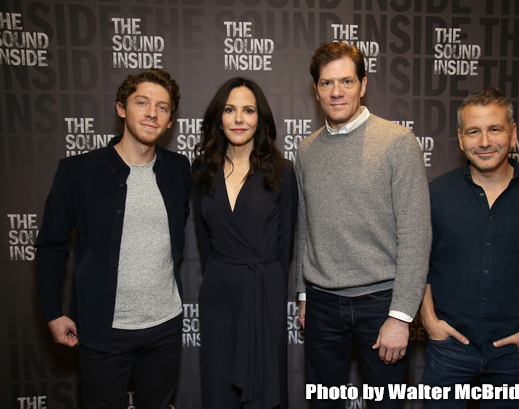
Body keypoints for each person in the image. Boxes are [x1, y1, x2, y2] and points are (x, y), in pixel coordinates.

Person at [35, 69, 191, 409]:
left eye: (162, 107)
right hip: (103, 330)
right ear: (121, 108)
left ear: (170, 121)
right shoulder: (78, 172)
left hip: (164, 326)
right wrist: (51, 311)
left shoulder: (180, 170)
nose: (152, 112)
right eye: (142, 102)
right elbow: (51, 245)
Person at [295, 42, 431, 409]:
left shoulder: (398, 142)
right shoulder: (305, 151)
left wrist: (401, 316)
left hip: (381, 304)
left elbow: (417, 235)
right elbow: (304, 227)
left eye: (346, 81)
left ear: (363, 84)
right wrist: (304, 294)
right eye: (326, 83)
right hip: (322, 303)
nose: (336, 92)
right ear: (316, 89)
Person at [420, 86, 519, 408]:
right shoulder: (434, 195)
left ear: (513, 134)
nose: (484, 142)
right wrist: (430, 321)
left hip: (513, 355)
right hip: (449, 349)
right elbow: (418, 264)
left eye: (494, 129)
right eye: (473, 132)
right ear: (461, 139)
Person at [192, 77, 298, 409]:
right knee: (218, 388)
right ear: (218, 119)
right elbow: (202, 242)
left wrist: (270, 286)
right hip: (218, 295)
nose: (239, 119)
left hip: (264, 290)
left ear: (260, 118)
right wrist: (223, 276)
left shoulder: (282, 171)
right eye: (230, 110)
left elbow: (286, 245)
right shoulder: (202, 171)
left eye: (248, 110)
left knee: (264, 390)